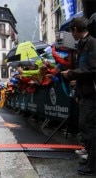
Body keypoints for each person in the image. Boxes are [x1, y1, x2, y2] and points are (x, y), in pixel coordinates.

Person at [61, 17, 96, 176]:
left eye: (71, 31)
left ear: (75, 29)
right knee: (85, 127)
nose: (71, 34)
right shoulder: (82, 44)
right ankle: (90, 159)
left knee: (89, 128)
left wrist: (71, 73)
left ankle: (93, 164)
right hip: (85, 93)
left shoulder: (91, 43)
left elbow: (92, 70)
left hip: (92, 94)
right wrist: (77, 89)